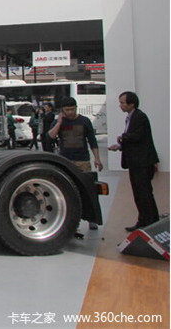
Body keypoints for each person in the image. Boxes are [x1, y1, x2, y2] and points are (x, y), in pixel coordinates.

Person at [48, 97, 103, 231]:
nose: (70, 112)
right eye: (67, 110)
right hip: (65, 160)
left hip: (82, 160)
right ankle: (72, 220)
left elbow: (92, 140)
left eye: (72, 109)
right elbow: (50, 136)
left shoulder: (84, 121)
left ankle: (92, 219)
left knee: (89, 189)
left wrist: (97, 158)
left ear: (76, 108)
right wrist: (59, 122)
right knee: (68, 191)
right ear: (62, 110)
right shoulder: (58, 122)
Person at [108, 91, 160, 232]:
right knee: (138, 192)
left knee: (144, 192)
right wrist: (119, 146)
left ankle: (151, 221)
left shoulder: (139, 117)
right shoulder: (130, 118)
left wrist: (123, 137)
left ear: (132, 104)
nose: (120, 105)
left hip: (142, 162)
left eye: (123, 103)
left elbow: (138, 136)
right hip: (135, 162)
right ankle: (143, 220)